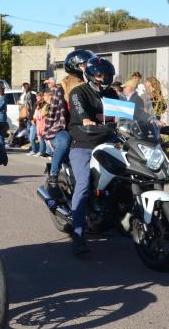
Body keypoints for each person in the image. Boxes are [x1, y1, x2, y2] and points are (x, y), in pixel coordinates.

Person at [67, 56, 116, 255]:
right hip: (83, 144)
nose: (103, 78)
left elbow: (126, 114)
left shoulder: (111, 93)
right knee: (84, 184)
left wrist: (148, 120)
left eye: (106, 75)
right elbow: (79, 111)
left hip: (108, 142)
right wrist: (86, 120)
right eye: (99, 74)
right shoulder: (79, 92)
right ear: (90, 75)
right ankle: (78, 234)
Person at [44, 49, 94, 189]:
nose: (88, 67)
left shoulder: (92, 86)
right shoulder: (61, 89)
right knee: (65, 140)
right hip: (63, 129)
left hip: (86, 129)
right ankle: (53, 175)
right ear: (75, 67)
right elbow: (52, 113)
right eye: (85, 64)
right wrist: (47, 134)